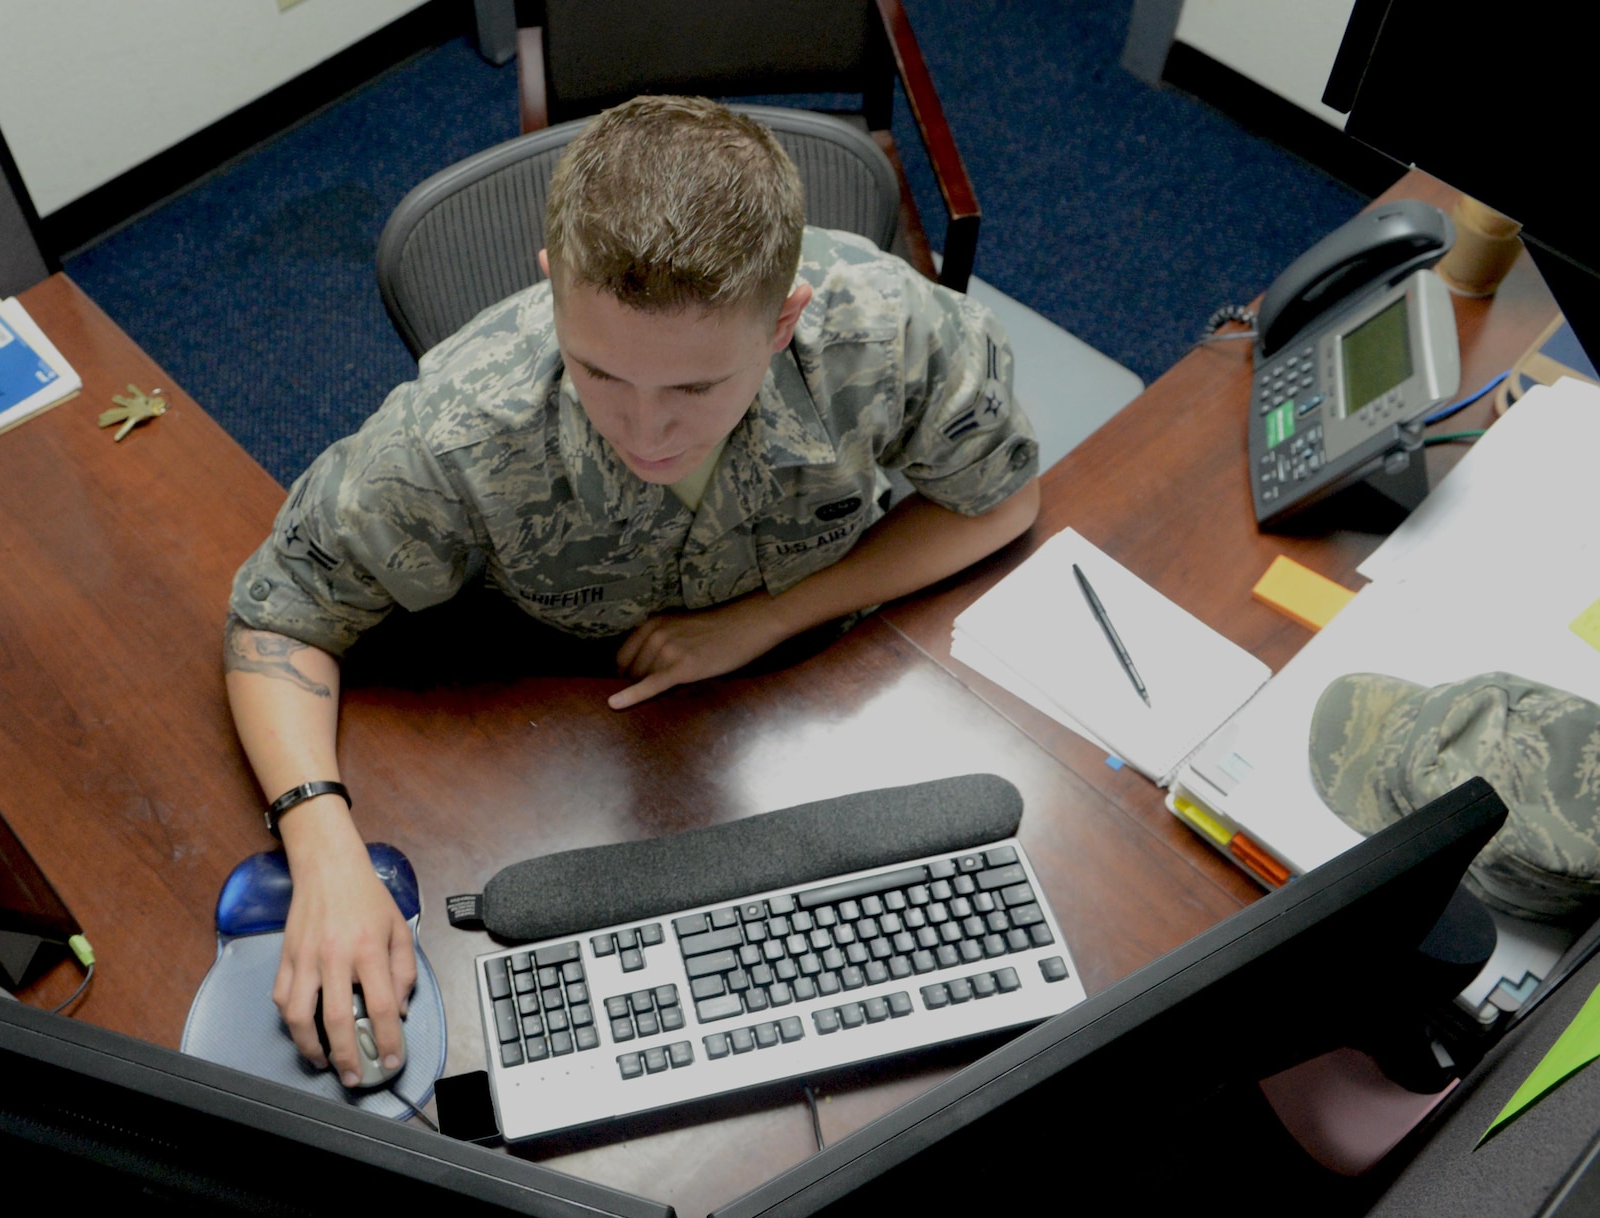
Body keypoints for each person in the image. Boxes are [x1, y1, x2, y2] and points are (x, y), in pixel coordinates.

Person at [223, 95, 1042, 1078]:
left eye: (695, 389)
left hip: (821, 697)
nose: (645, 431)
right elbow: (274, 623)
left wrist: (767, 616)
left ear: (783, 320)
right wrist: (322, 852)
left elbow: (999, 498)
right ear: (551, 296)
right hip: (565, 725)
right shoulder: (459, 430)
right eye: (599, 371)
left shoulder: (887, 332)